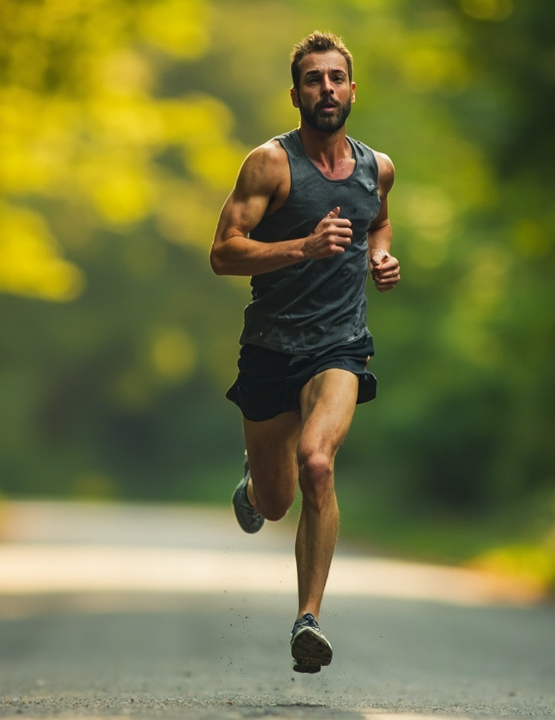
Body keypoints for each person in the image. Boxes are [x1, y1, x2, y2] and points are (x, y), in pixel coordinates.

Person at [209, 30, 400, 674]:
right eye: (313, 79)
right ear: (295, 95)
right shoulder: (269, 164)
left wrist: (379, 257)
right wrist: (304, 247)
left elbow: (378, 220)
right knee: (275, 502)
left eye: (336, 78)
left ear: (352, 90)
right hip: (270, 348)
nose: (326, 89)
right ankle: (254, 483)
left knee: (317, 462)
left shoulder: (378, 168)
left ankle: (307, 620)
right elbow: (223, 253)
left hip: (340, 345)